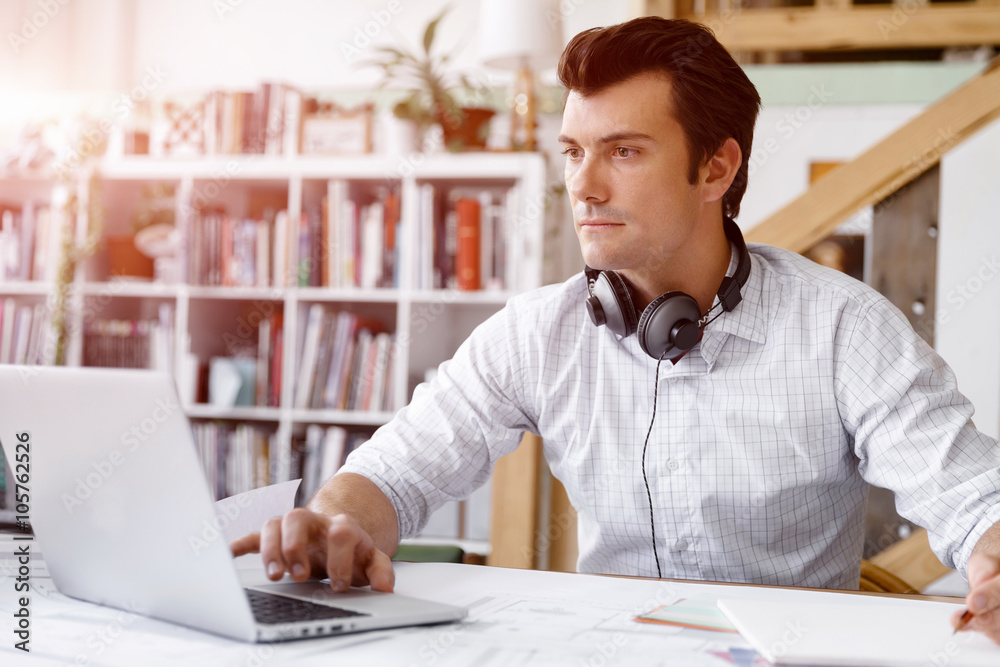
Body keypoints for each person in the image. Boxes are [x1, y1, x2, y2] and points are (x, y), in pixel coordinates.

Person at [232, 17, 1000, 643]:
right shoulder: (538, 331)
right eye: (573, 152)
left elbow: (972, 497)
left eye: (624, 152)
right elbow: (395, 473)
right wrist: (336, 522)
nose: (583, 186)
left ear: (716, 170)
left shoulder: (843, 328)